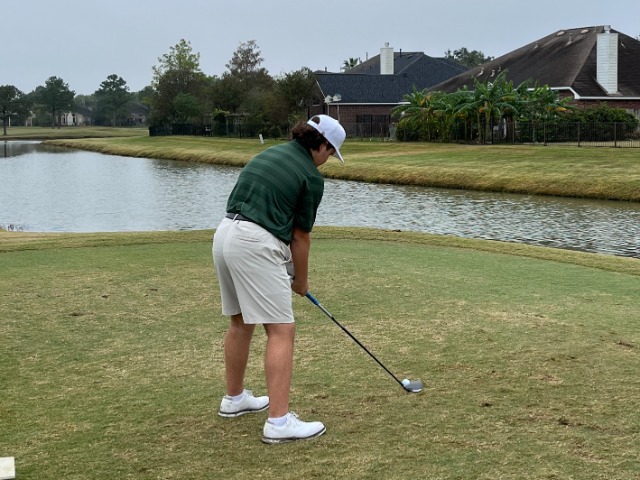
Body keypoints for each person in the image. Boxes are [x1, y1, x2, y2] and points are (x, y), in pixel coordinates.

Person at [212, 115, 346, 444]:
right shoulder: (311, 176)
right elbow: (300, 237)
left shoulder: (270, 153)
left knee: (240, 321)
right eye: (331, 153)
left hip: (225, 234)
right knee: (281, 330)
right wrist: (301, 280)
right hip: (254, 242)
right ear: (322, 145)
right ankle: (279, 422)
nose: (328, 159)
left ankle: (235, 399)